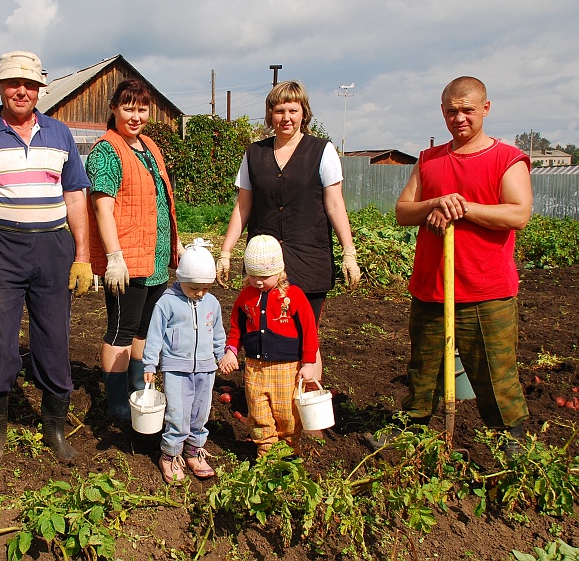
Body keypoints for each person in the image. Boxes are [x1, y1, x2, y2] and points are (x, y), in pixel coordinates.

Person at [0, 51, 93, 463]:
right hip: (0, 249)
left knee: (54, 338)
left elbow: (75, 196)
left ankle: (55, 430)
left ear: (41, 89)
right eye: (12, 83)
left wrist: (83, 254)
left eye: (29, 84)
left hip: (52, 248)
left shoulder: (60, 134)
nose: (21, 91)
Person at [368, 76, 532, 453]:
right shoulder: (429, 160)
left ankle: (511, 439)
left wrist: (465, 208)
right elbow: (403, 211)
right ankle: (412, 429)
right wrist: (435, 204)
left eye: (468, 110)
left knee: (495, 372)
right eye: (451, 111)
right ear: (442, 112)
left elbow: (518, 214)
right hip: (432, 286)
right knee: (422, 369)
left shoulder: (506, 158)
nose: (459, 118)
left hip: (485, 289)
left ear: (485, 109)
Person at [216, 80, 360, 384]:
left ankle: (307, 408)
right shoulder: (254, 154)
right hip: (265, 262)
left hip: (309, 258)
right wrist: (226, 252)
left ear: (303, 113)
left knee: (306, 333)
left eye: (293, 110)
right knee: (263, 329)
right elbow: (243, 207)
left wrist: (349, 253)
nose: (286, 117)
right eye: (279, 110)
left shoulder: (322, 151)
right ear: (270, 114)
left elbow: (335, 205)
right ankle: (268, 403)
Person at [85, 79, 180, 423]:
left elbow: (160, 201)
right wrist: (113, 258)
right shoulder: (107, 150)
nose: (136, 116)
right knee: (121, 331)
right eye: (129, 108)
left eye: (142, 109)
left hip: (154, 260)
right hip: (127, 260)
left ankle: (137, 388)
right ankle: (116, 403)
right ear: (113, 109)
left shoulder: (149, 146)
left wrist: (176, 243)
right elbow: (102, 208)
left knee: (145, 329)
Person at [219, 235, 319, 458]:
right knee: (258, 412)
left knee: (287, 414)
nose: (259, 281)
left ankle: (289, 454)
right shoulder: (245, 297)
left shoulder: (293, 296)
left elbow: (309, 330)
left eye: (265, 276)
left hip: (287, 368)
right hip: (255, 367)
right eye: (253, 276)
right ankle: (266, 454)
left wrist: (309, 362)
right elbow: (237, 327)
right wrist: (231, 351)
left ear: (280, 271)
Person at [141, 239, 225, 483]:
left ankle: (194, 450)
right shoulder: (167, 302)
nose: (200, 293)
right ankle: (170, 455)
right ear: (180, 280)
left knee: (200, 413)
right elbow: (155, 335)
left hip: (206, 368)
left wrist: (220, 354)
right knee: (177, 414)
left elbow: (217, 331)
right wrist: (149, 364)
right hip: (176, 367)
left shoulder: (212, 303)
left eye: (205, 288)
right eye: (194, 288)